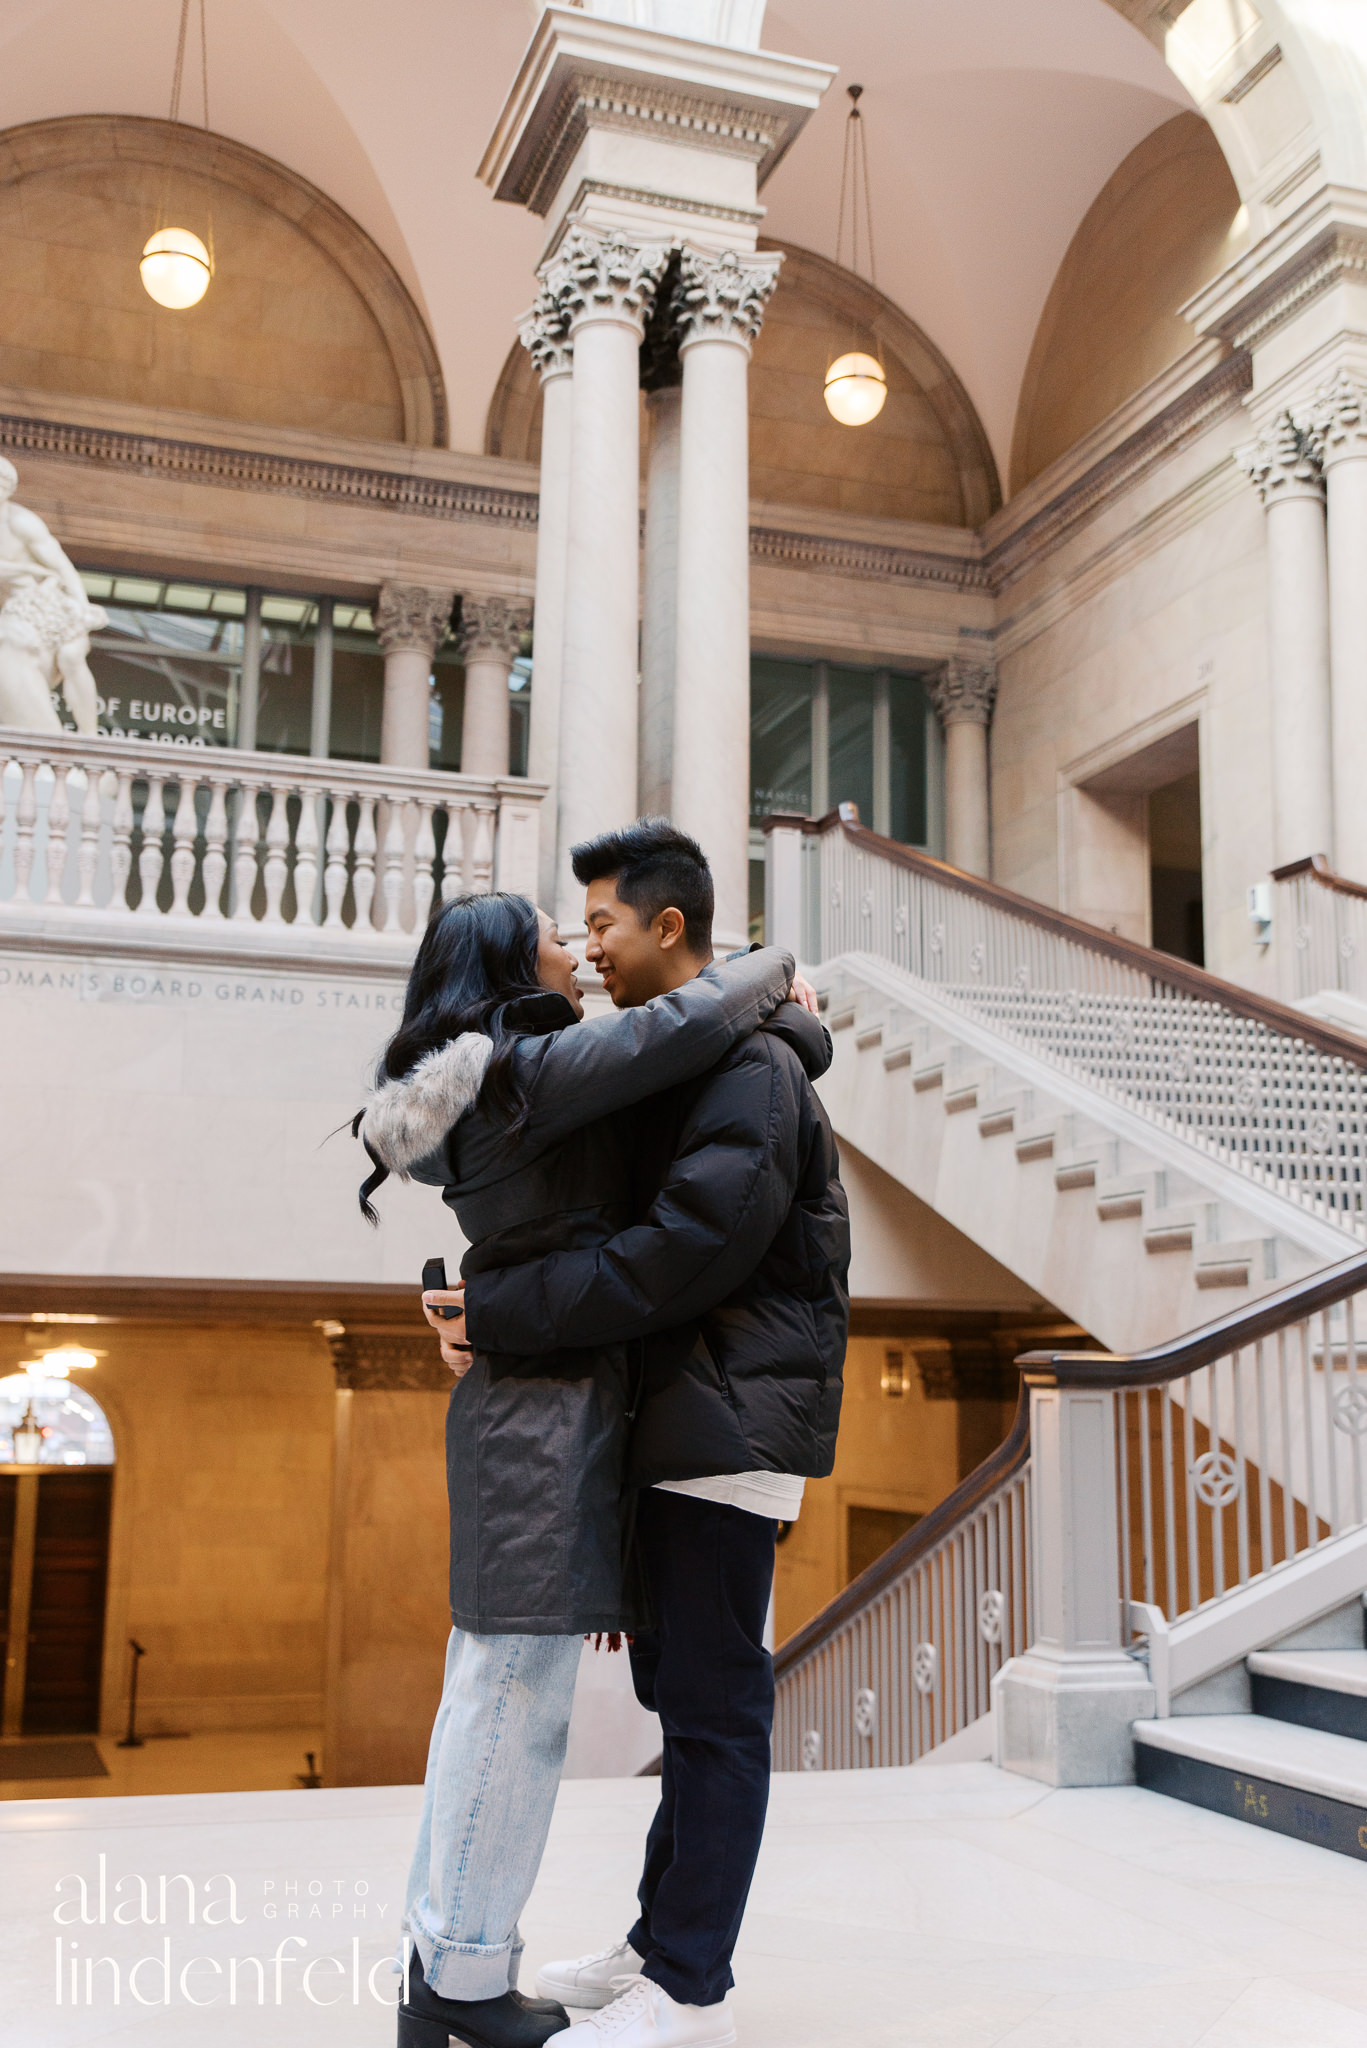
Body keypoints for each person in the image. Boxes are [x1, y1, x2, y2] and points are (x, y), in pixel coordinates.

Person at [354, 889, 801, 2048]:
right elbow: (689, 1025)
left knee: (491, 1692)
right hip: (543, 1407)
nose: (575, 943)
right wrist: (782, 976)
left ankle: (444, 1961)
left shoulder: (478, 1080)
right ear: (512, 961)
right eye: (557, 928)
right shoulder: (528, 1065)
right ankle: (455, 1976)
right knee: (511, 1698)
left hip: (537, 1404)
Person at [442, 821, 850, 2048]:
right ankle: (654, 1941)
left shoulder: (753, 1072)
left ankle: (689, 1984)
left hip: (730, 1426)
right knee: (686, 1700)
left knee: (718, 1711)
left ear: (668, 927)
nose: (587, 947)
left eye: (602, 923)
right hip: (685, 1422)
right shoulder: (694, 1055)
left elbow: (682, 1255)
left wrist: (503, 1311)